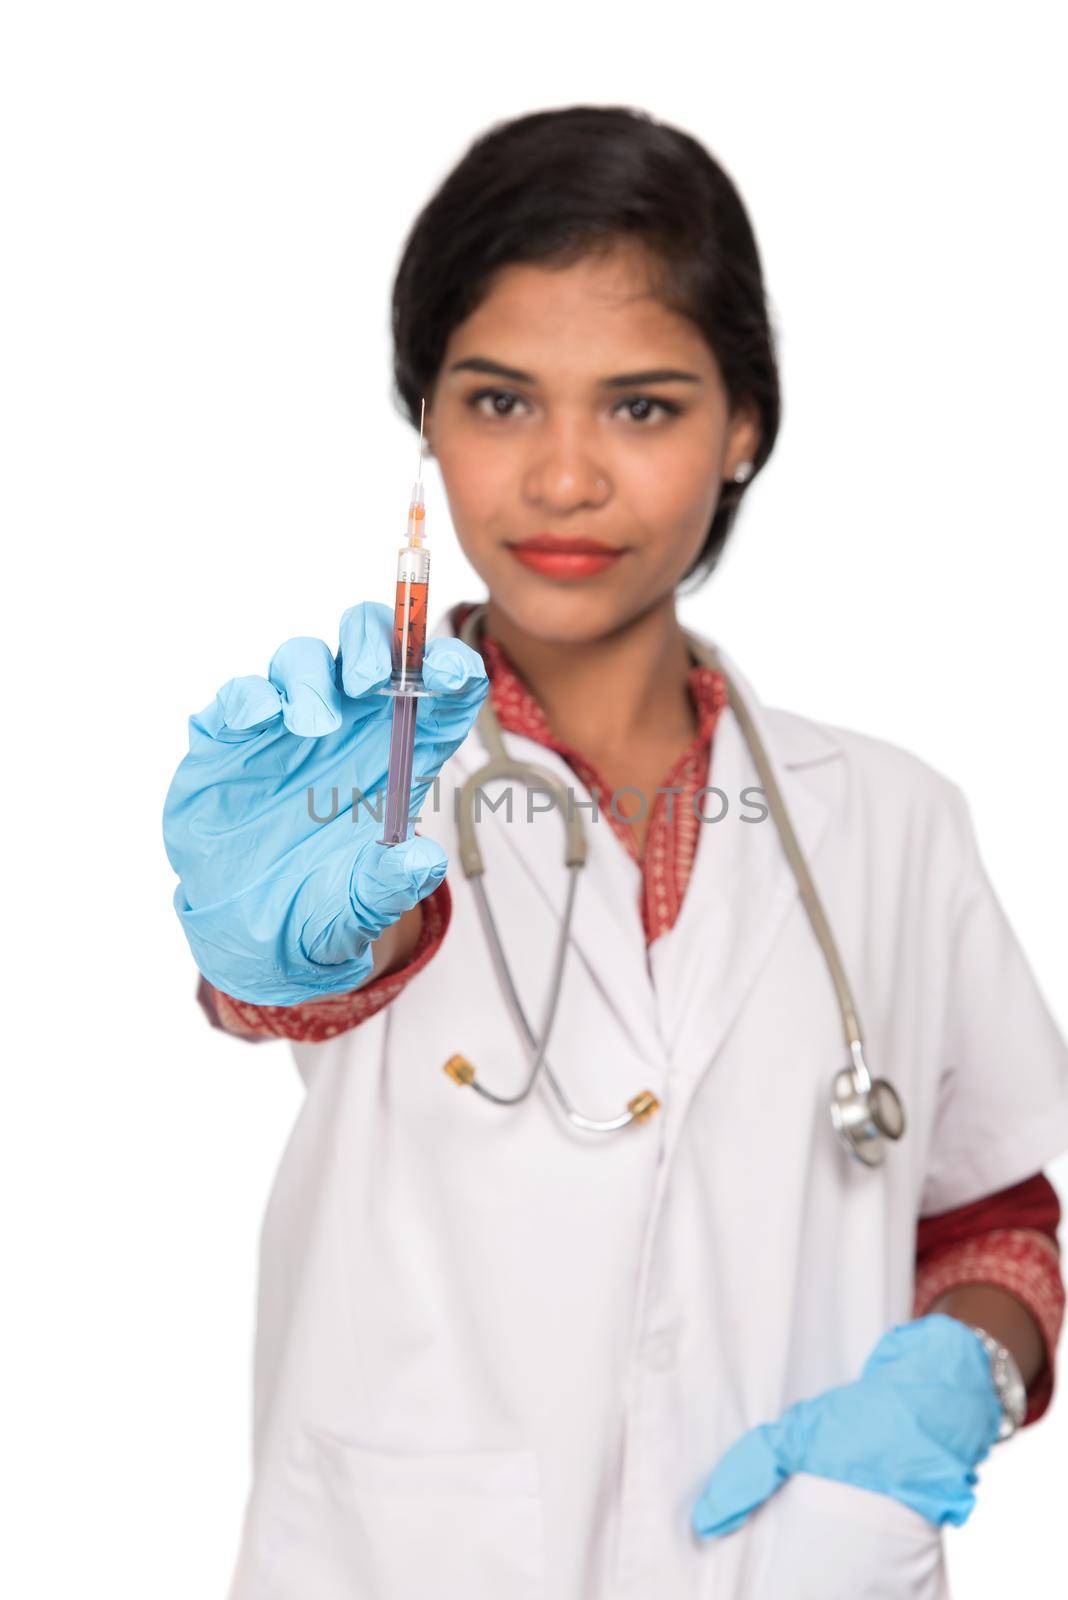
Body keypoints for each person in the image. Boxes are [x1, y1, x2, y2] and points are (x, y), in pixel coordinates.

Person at [163, 106, 1068, 1599]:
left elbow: (990, 1215)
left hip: (790, 1561)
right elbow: (305, 976)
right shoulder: (353, 786)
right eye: (501, 402)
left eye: (641, 406)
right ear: (430, 421)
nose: (565, 478)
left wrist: (966, 1374)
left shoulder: (895, 818)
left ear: (744, 430)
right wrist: (273, 956)